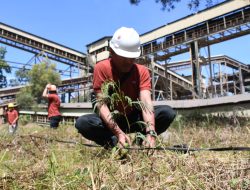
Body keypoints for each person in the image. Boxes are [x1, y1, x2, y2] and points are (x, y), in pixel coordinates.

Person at [75, 27, 176, 148]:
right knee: (83, 123)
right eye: (124, 57)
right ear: (112, 52)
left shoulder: (142, 71)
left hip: (134, 118)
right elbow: (102, 105)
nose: (128, 62)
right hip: (111, 119)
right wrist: (118, 132)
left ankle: (142, 143)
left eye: (132, 58)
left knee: (167, 113)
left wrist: (151, 132)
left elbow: (146, 103)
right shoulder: (101, 68)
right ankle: (115, 143)